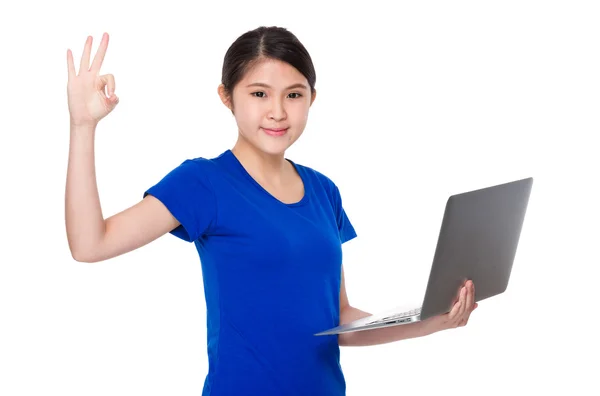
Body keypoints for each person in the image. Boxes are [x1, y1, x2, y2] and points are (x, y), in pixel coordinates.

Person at [65, 26, 477, 396]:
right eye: (259, 93)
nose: (278, 112)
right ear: (227, 97)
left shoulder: (323, 191)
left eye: (293, 95)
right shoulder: (204, 183)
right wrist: (83, 126)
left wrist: (430, 321)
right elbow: (90, 244)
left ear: (311, 98)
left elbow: (338, 321)